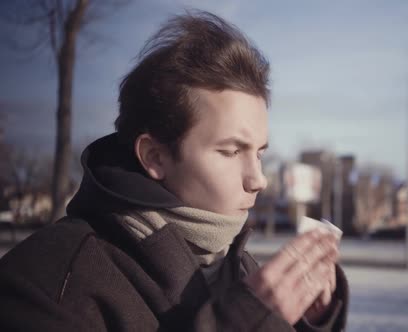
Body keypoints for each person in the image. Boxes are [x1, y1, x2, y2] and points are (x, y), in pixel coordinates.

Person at [0, 10, 348, 331]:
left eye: (259, 153)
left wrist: (306, 321)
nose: (258, 179)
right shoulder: (50, 281)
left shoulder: (239, 268)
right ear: (155, 157)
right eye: (230, 151)